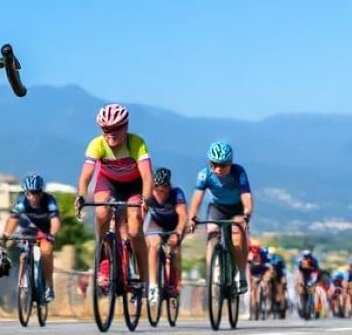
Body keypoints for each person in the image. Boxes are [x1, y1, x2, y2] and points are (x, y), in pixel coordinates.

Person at [75, 103, 153, 292]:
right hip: (108, 182)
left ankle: (144, 282)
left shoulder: (137, 143)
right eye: (105, 129)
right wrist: (81, 197)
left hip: (134, 185)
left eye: (115, 129)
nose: (110, 134)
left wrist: (146, 199)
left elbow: (147, 176)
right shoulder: (97, 144)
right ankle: (103, 253)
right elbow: (86, 176)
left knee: (135, 231)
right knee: (102, 212)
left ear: (125, 127)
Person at [185, 141, 253, 295]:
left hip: (237, 208)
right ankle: (212, 275)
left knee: (237, 233)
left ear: (230, 163)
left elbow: (246, 195)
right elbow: (197, 198)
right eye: (214, 164)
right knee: (212, 233)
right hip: (218, 208)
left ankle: (240, 274)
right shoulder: (204, 175)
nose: (218, 169)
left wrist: (247, 213)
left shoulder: (238, 172)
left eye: (223, 165)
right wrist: (192, 218)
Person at [1, 172, 62, 301]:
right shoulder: (22, 200)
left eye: (37, 193)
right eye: (30, 193)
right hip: (28, 230)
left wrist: (52, 234)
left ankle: (49, 286)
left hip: (45, 230)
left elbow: (55, 220)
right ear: (25, 193)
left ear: (41, 192)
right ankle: (22, 286)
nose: (33, 197)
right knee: (23, 254)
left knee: (46, 251)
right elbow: (13, 219)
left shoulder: (49, 200)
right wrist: (6, 235)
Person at [143, 167, 188, 306]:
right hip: (157, 224)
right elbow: (141, 214)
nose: (162, 193)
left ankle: (175, 284)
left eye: (165, 189)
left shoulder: (176, 194)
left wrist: (178, 231)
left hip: (174, 225)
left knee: (174, 250)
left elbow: (183, 216)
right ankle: (153, 286)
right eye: (158, 190)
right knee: (154, 246)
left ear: (169, 187)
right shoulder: (149, 195)